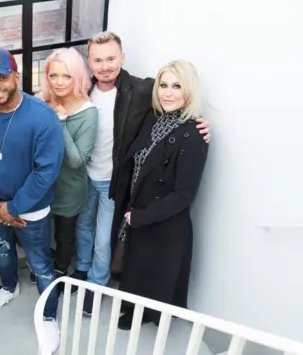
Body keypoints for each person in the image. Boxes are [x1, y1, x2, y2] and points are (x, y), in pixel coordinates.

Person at [74, 31, 212, 314]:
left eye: (111, 58)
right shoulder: (81, 88)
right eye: (98, 60)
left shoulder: (140, 90)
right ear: (89, 63)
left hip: (113, 183)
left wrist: (201, 124)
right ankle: (82, 272)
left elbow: (177, 110)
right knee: (84, 228)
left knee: (104, 240)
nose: (105, 65)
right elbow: (52, 97)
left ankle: (97, 286)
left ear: (122, 58)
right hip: (85, 177)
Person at [0, 48, 65, 354]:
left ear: (16, 77)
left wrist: (13, 208)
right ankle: (9, 287)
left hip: (31, 211)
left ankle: (49, 316)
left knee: (40, 264)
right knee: (2, 252)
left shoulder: (42, 116)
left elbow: (46, 172)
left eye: (3, 78)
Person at [114, 60, 208, 330]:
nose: (168, 92)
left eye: (177, 86)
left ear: (189, 90)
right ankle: (135, 310)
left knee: (155, 276)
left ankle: (144, 315)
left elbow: (184, 195)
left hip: (163, 221)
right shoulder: (153, 118)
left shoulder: (194, 135)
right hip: (140, 210)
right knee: (137, 268)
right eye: (163, 85)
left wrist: (141, 216)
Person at [40, 48, 98, 280]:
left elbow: (76, 160)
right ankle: (43, 265)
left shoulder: (88, 113)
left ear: (77, 77)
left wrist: (60, 122)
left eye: (66, 76)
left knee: (64, 236)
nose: (59, 82)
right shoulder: (42, 101)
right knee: (39, 233)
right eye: (53, 76)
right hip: (42, 185)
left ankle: (60, 271)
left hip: (69, 188)